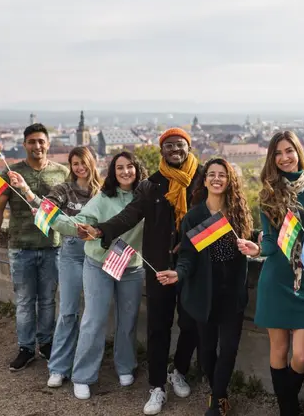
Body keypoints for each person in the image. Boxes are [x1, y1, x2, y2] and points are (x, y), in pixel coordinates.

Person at [77, 128, 201, 415]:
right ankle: (156, 386)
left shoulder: (202, 177)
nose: (174, 149)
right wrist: (100, 230)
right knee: (158, 327)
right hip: (158, 265)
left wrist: (192, 241)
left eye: (180, 145)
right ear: (161, 151)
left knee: (191, 323)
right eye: (168, 145)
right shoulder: (152, 185)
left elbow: (216, 214)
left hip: (192, 265)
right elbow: (129, 215)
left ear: (188, 147)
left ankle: (178, 370)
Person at [157, 157, 256, 416]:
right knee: (207, 350)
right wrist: (179, 273)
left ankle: (215, 403)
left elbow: (253, 242)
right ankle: (219, 393)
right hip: (204, 293)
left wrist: (255, 247)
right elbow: (187, 255)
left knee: (230, 348)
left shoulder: (239, 213)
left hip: (232, 293)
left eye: (222, 174)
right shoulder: (194, 216)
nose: (216, 178)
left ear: (229, 180)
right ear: (205, 180)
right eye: (211, 174)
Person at [48, 151, 148, 400]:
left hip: (131, 265)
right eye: (119, 168)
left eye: (130, 167)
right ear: (113, 173)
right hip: (98, 264)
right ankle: (82, 375)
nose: (125, 172)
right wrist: (53, 219)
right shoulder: (103, 198)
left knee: (128, 319)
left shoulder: (147, 198)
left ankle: (125, 365)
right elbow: (79, 222)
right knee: (94, 319)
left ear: (138, 170)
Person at [7, 146, 102, 388]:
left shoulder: (102, 191)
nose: (79, 167)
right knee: (68, 311)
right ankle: (58, 367)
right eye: (75, 163)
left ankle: (84, 365)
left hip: (97, 253)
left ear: (92, 163)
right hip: (70, 252)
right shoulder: (65, 189)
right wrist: (28, 193)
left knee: (93, 314)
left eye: (83, 162)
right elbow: (47, 207)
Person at [0, 123, 69, 371]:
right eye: (32, 141)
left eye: (41, 141)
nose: (37, 146)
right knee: (24, 301)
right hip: (20, 246)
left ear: (48, 144)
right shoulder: (9, 173)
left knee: (47, 300)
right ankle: (25, 347)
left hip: (52, 246)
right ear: (24, 145)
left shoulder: (62, 173)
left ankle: (46, 343)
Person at [251, 131, 304, 416]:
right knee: (279, 351)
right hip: (276, 279)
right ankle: (288, 410)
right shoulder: (268, 193)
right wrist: (255, 249)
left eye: (289, 151)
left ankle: (286, 403)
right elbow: (269, 243)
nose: (284, 158)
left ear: (298, 152)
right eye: (278, 153)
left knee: (302, 355)